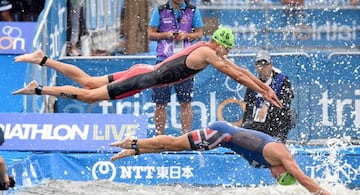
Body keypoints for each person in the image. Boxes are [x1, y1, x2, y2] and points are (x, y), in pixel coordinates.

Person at [12, 27, 282, 109]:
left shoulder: (206, 49)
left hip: (142, 71)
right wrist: (263, 90)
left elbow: (243, 72)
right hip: (142, 79)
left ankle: (43, 59)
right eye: (228, 50)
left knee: (88, 81)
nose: (228, 55)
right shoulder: (208, 54)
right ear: (221, 45)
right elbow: (236, 75)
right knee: (89, 96)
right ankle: (39, 89)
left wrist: (265, 89)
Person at [110, 121, 334, 195]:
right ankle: (134, 142)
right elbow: (303, 178)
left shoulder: (274, 164)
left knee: (174, 146)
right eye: (280, 176)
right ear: (285, 170)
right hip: (221, 134)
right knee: (176, 144)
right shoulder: (280, 154)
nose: (274, 177)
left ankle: (136, 149)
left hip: (222, 139)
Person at [148, 0, 204, 135]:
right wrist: (165, 35)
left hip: (185, 62)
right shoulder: (161, 10)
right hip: (163, 61)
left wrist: (187, 36)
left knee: (185, 102)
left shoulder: (193, 10)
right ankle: (159, 136)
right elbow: (150, 34)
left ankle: (185, 135)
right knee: (160, 103)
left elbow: (199, 33)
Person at [242, 50, 295, 143]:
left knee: (289, 115)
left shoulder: (282, 79)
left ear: (271, 65)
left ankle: (281, 144)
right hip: (259, 120)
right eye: (259, 65)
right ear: (256, 67)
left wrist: (267, 106)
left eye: (265, 65)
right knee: (246, 126)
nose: (262, 68)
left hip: (276, 116)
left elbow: (286, 102)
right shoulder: (252, 82)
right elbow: (248, 108)